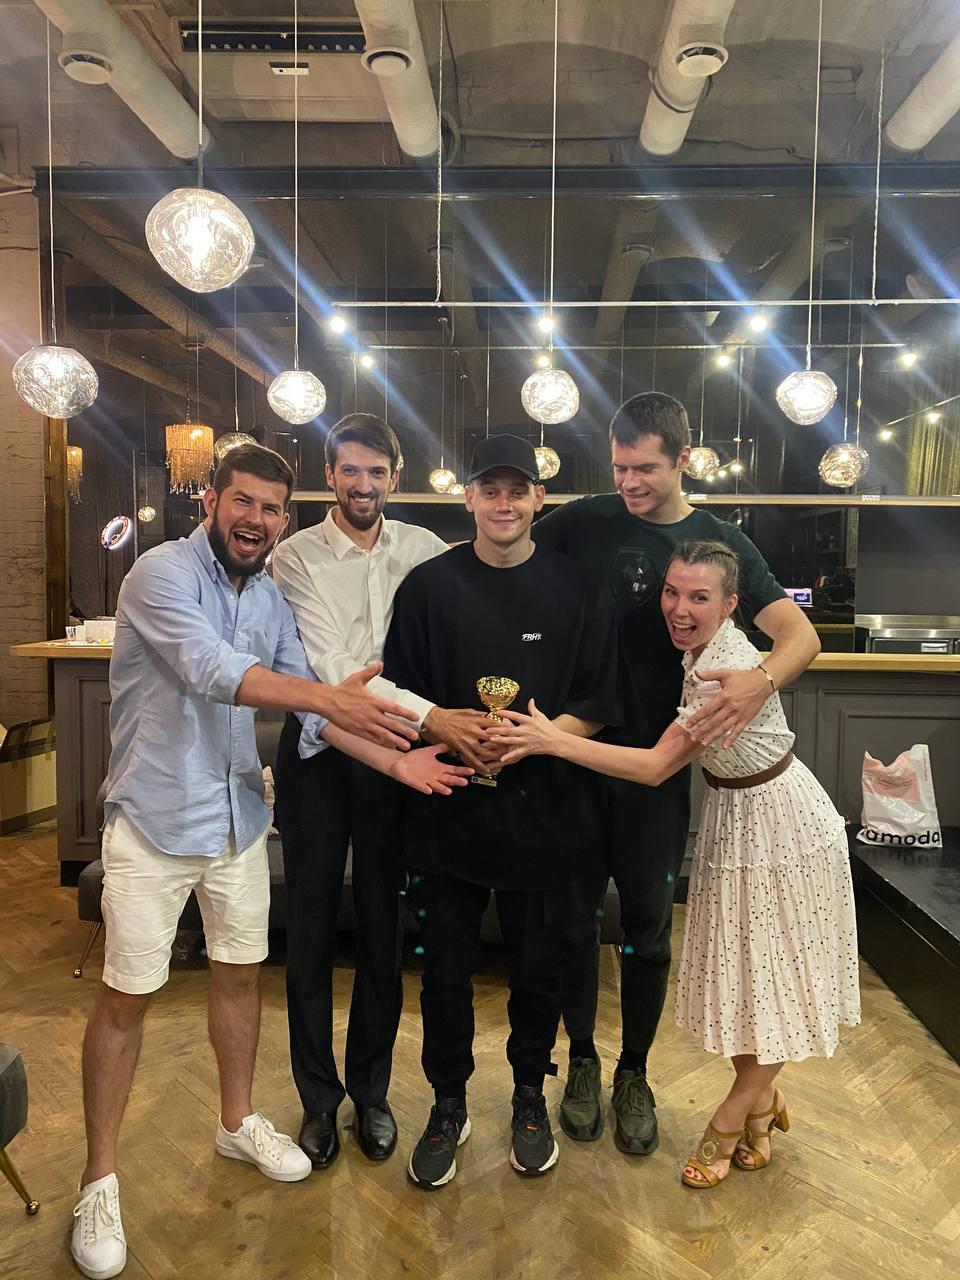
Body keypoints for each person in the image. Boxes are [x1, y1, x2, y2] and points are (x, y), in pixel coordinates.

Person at [71, 445, 470, 1280]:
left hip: (240, 820)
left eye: (270, 508)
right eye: (242, 502)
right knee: (127, 997)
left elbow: (316, 715)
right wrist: (331, 695)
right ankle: (98, 1179)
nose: (255, 519)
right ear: (211, 502)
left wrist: (398, 764)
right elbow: (213, 671)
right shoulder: (160, 573)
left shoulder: (267, 596)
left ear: (285, 517)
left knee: (239, 978)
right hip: (152, 820)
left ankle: (236, 1121)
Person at [490, 539, 860, 1188]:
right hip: (738, 815)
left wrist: (551, 740)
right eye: (671, 592)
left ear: (731, 604)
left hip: (781, 828)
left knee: (779, 986)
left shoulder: (723, 666)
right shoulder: (697, 654)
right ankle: (762, 1107)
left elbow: (657, 765)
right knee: (749, 978)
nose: (679, 609)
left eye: (698, 597)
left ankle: (728, 1120)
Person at [533, 391, 821, 1156]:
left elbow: (799, 635)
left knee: (649, 931)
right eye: (620, 467)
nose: (629, 482)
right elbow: (509, 558)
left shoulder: (720, 542)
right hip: (577, 756)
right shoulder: (581, 522)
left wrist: (760, 679)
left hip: (660, 767)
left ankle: (634, 1071)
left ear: (682, 460)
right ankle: (583, 1062)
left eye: (645, 469)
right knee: (571, 922)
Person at [381, 434, 620, 1189]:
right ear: (469, 498)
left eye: (519, 490)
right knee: (445, 977)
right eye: (491, 490)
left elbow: (598, 701)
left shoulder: (580, 588)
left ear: (539, 499)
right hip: (448, 808)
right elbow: (398, 692)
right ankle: (447, 1103)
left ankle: (528, 1097)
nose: (505, 504)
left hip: (548, 812)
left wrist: (537, 740)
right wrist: (447, 730)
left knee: (539, 974)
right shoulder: (428, 586)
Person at [271, 413, 494, 1170]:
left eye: (375, 471)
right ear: (329, 475)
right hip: (319, 755)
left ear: (395, 476)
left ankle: (370, 1092)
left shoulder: (424, 550)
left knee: (380, 930)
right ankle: (317, 1099)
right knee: (307, 931)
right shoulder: (295, 556)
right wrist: (432, 714)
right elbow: (336, 672)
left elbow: (447, 643)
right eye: (349, 470)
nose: (362, 484)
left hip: (398, 755)